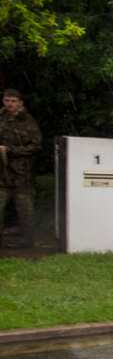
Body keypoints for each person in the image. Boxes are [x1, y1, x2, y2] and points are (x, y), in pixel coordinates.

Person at [0, 89, 42, 248]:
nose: (9, 104)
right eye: (6, 100)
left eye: (13, 101)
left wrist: (11, 150)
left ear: (20, 103)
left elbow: (36, 146)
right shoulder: (1, 118)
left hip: (22, 174)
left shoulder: (28, 121)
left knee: (25, 210)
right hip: (2, 173)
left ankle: (27, 242)